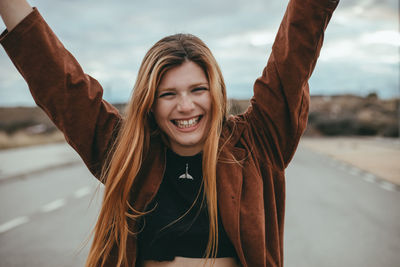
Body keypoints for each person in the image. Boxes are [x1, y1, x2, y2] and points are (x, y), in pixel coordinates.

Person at [0, 0, 339, 266]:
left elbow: (295, 51)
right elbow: (60, 83)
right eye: (168, 94)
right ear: (150, 102)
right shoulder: (128, 151)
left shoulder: (257, 142)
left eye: (197, 89)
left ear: (216, 92)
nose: (185, 106)